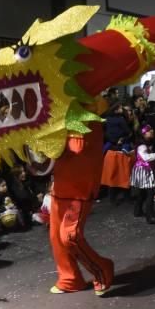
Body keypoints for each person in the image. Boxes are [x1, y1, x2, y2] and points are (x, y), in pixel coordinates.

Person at [49, 102, 114, 296]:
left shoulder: (83, 111)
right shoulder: (62, 109)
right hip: (61, 183)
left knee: (70, 236)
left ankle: (102, 268)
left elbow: (76, 146)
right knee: (56, 237)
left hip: (81, 187)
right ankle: (70, 279)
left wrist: (49, 132)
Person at [130, 125, 155, 224]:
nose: (152, 131)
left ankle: (138, 211)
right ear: (143, 133)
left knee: (142, 193)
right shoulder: (142, 146)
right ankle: (150, 216)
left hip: (141, 170)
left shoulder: (144, 144)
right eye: (149, 130)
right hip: (144, 171)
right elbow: (146, 158)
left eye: (151, 129)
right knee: (150, 193)